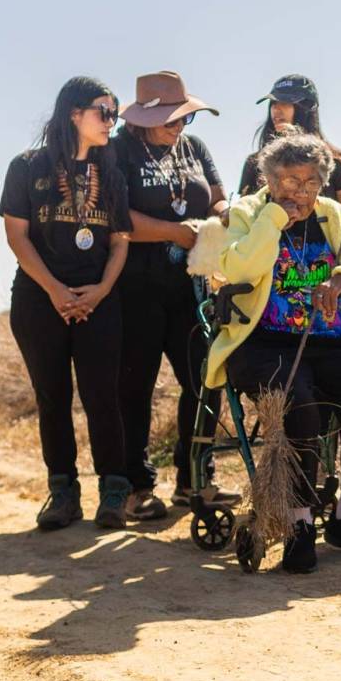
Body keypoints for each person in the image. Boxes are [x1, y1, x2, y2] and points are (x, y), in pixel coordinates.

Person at [201, 131, 341, 573]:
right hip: (263, 341)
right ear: (269, 179)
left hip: (332, 340)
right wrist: (273, 219)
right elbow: (237, 267)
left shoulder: (333, 215)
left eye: (310, 182)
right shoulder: (250, 213)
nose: (300, 192)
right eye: (289, 181)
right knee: (299, 405)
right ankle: (299, 522)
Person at [0, 77, 134, 531]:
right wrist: (55, 289)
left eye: (114, 112)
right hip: (40, 299)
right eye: (104, 111)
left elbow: (119, 243)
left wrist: (100, 291)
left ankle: (114, 493)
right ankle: (62, 493)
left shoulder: (111, 173)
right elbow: (17, 237)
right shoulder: (26, 167)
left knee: (104, 395)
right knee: (52, 395)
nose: (111, 121)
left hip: (99, 298)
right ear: (74, 113)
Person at [113, 71, 238, 519]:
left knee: (206, 379)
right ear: (142, 118)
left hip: (192, 287)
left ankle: (195, 480)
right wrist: (172, 232)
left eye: (184, 118)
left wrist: (228, 216)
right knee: (135, 386)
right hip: (134, 287)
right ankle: (136, 487)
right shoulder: (118, 151)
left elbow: (217, 198)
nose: (179, 126)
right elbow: (116, 217)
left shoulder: (194, 148)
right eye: (170, 119)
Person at [236, 74, 341, 213]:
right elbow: (242, 220)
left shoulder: (339, 162)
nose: (276, 110)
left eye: (285, 103)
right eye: (273, 103)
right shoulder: (255, 162)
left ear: (307, 108)